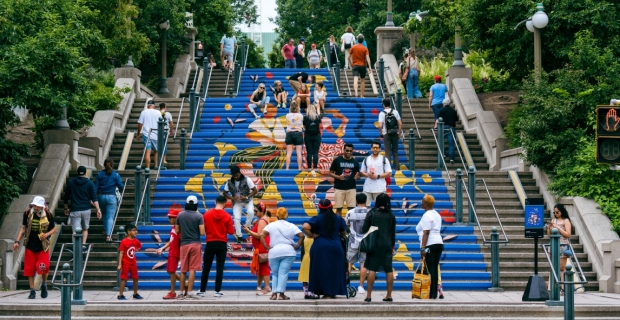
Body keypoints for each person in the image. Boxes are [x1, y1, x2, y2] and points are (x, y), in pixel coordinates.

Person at [302, 199, 348, 299]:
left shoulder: (317, 218)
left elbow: (305, 226)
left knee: (321, 269)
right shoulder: (338, 218)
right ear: (331, 207)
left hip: (320, 246)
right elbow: (344, 232)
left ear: (319, 208)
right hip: (336, 246)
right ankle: (332, 292)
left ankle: (323, 292)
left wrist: (312, 235)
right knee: (335, 270)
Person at [13, 196, 57, 299]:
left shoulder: (48, 214)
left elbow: (53, 229)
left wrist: (46, 235)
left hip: (42, 246)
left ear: (41, 206)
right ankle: (32, 291)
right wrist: (17, 241)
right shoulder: (28, 213)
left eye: (37, 206)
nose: (35, 207)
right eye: (34, 205)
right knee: (29, 268)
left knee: (44, 266)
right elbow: (23, 228)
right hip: (30, 245)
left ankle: (44, 285)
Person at [260, 208, 304, 300]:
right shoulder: (291, 225)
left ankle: (274, 294)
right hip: (288, 251)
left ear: (277, 215)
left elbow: (261, 235)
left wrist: (266, 247)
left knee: (275, 274)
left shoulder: (271, 225)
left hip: (274, 252)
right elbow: (301, 236)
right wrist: (296, 246)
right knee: (283, 273)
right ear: (286, 215)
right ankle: (281, 294)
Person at [362, 193, 396, 303]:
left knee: (372, 269)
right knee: (388, 269)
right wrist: (392, 246)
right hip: (387, 244)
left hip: (374, 244)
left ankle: (368, 296)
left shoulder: (372, 213)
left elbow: (364, 229)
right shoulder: (391, 215)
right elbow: (393, 233)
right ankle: (389, 295)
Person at [198, 195, 235, 297]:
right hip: (222, 243)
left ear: (215, 202)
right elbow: (231, 231)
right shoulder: (227, 216)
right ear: (224, 204)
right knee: (220, 267)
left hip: (210, 242)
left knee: (206, 267)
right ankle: (217, 291)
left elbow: (203, 229)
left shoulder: (206, 214)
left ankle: (202, 290)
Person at [175, 195, 205, 300]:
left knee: (183, 269)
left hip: (184, 244)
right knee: (193, 269)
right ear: (196, 204)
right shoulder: (199, 216)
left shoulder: (180, 215)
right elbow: (202, 233)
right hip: (195, 244)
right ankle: (190, 292)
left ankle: (180, 293)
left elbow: (177, 230)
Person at [63, 166, 101, 245]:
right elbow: (94, 197)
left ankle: (75, 248)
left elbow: (66, 196)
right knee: (85, 229)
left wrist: (66, 208)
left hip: (75, 209)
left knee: (75, 231)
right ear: (85, 173)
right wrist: (98, 209)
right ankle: (83, 245)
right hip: (86, 209)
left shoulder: (71, 183)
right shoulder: (90, 183)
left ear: (77, 172)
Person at [416, 194, 444, 299]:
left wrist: (423, 248)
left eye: (422, 201)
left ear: (426, 203)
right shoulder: (436, 214)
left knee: (430, 267)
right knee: (434, 268)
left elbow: (426, 233)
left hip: (430, 245)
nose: (421, 202)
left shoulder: (427, 216)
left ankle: (431, 293)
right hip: (438, 243)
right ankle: (433, 293)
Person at [223, 165, 258, 242]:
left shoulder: (247, 179)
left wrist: (246, 197)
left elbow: (255, 191)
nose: (235, 177)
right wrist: (232, 198)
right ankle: (239, 236)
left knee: (251, 212)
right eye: (234, 175)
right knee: (236, 218)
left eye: (237, 175)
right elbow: (224, 193)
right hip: (237, 202)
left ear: (240, 173)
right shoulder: (229, 182)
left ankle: (247, 226)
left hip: (247, 200)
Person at [243, 202, 272, 295]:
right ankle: (259, 286)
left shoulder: (262, 221)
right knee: (261, 267)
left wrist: (248, 231)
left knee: (264, 267)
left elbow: (259, 236)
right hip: (261, 246)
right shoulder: (262, 220)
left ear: (261, 211)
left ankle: (267, 287)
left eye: (256, 211)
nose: (254, 213)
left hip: (262, 246)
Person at [94, 158, 125, 242]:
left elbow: (95, 188)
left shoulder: (99, 174)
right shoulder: (116, 175)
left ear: (104, 164)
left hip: (100, 197)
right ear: (112, 164)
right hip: (111, 197)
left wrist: (93, 198)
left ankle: (105, 229)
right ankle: (108, 235)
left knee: (103, 213)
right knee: (110, 216)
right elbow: (120, 186)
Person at [156, 206, 183, 299]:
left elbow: (181, 242)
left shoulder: (179, 229)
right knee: (170, 270)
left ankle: (172, 292)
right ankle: (185, 284)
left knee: (171, 271)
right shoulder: (172, 228)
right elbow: (171, 240)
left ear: (175, 218)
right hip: (172, 251)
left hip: (176, 253)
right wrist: (162, 248)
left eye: (170, 218)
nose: (168, 219)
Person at [345, 193, 370, 294]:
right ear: (365, 201)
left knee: (349, 262)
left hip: (353, 240)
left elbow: (346, 225)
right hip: (366, 241)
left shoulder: (350, 212)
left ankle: (345, 285)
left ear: (356, 200)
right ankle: (361, 286)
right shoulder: (370, 212)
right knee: (363, 263)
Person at [329, 143, 360, 216]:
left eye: (350, 151)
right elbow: (330, 173)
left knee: (351, 209)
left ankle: (351, 226)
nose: (349, 152)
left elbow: (357, 174)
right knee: (339, 208)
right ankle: (339, 226)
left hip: (351, 187)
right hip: (339, 188)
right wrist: (338, 177)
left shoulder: (355, 161)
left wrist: (357, 176)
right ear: (343, 150)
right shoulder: (337, 160)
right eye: (347, 150)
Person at [549, 203, 572, 292]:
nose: (555, 214)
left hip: (563, 245)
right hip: (553, 244)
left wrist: (558, 227)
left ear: (561, 212)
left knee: (562, 267)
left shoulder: (566, 221)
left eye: (557, 212)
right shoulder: (553, 220)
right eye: (554, 212)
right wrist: (550, 228)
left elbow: (568, 234)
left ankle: (563, 288)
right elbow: (549, 235)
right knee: (553, 266)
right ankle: (550, 288)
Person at [360, 141, 392, 206]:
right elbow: (362, 172)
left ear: (380, 149)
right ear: (371, 148)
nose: (375, 149)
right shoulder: (366, 159)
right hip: (367, 188)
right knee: (364, 208)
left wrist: (378, 176)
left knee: (380, 208)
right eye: (374, 147)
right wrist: (367, 174)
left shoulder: (384, 159)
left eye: (377, 148)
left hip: (380, 188)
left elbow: (389, 173)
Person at [117, 223, 144, 300]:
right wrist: (120, 264)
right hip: (125, 262)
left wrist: (136, 250)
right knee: (124, 278)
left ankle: (135, 293)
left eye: (136, 230)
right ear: (128, 232)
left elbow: (139, 246)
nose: (136, 232)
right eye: (134, 230)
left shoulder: (136, 241)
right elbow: (121, 253)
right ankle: (120, 295)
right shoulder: (124, 241)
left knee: (135, 278)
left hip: (133, 262)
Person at [136, 100, 161, 169]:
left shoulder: (144, 112)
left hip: (147, 134)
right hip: (156, 134)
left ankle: (148, 167)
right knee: (156, 151)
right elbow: (161, 123)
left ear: (147, 106)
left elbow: (140, 124)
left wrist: (138, 134)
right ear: (154, 106)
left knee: (148, 151)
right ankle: (156, 166)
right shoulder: (158, 112)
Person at [378, 98, 403, 169]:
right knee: (395, 151)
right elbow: (400, 124)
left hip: (386, 134)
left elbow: (380, 125)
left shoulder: (382, 113)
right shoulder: (395, 112)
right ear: (390, 104)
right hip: (395, 133)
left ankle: (388, 168)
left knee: (387, 151)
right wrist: (399, 133)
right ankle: (397, 167)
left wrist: (381, 132)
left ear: (383, 105)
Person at [434, 98, 457, 163]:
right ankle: (451, 158)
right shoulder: (453, 110)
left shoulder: (441, 110)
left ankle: (443, 154)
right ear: (449, 104)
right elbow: (456, 121)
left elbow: (437, 120)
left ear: (443, 104)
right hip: (451, 128)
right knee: (451, 144)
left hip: (442, 128)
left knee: (441, 141)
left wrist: (435, 128)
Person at [303, 103, 323, 173]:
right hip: (317, 136)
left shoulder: (305, 117)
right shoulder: (318, 117)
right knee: (315, 153)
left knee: (309, 152)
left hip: (308, 135)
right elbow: (319, 125)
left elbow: (304, 127)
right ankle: (315, 167)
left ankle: (309, 167)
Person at [285, 102, 304, 170]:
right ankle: (299, 168)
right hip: (298, 133)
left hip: (289, 133)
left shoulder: (287, 115)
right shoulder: (300, 115)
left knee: (289, 152)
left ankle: (287, 168)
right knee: (299, 153)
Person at [297, 232, 317, 299]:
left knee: (305, 277)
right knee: (313, 276)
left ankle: (305, 293)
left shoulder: (304, 238)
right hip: (313, 258)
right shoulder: (315, 238)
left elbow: (302, 251)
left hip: (305, 257)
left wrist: (302, 260)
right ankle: (311, 293)